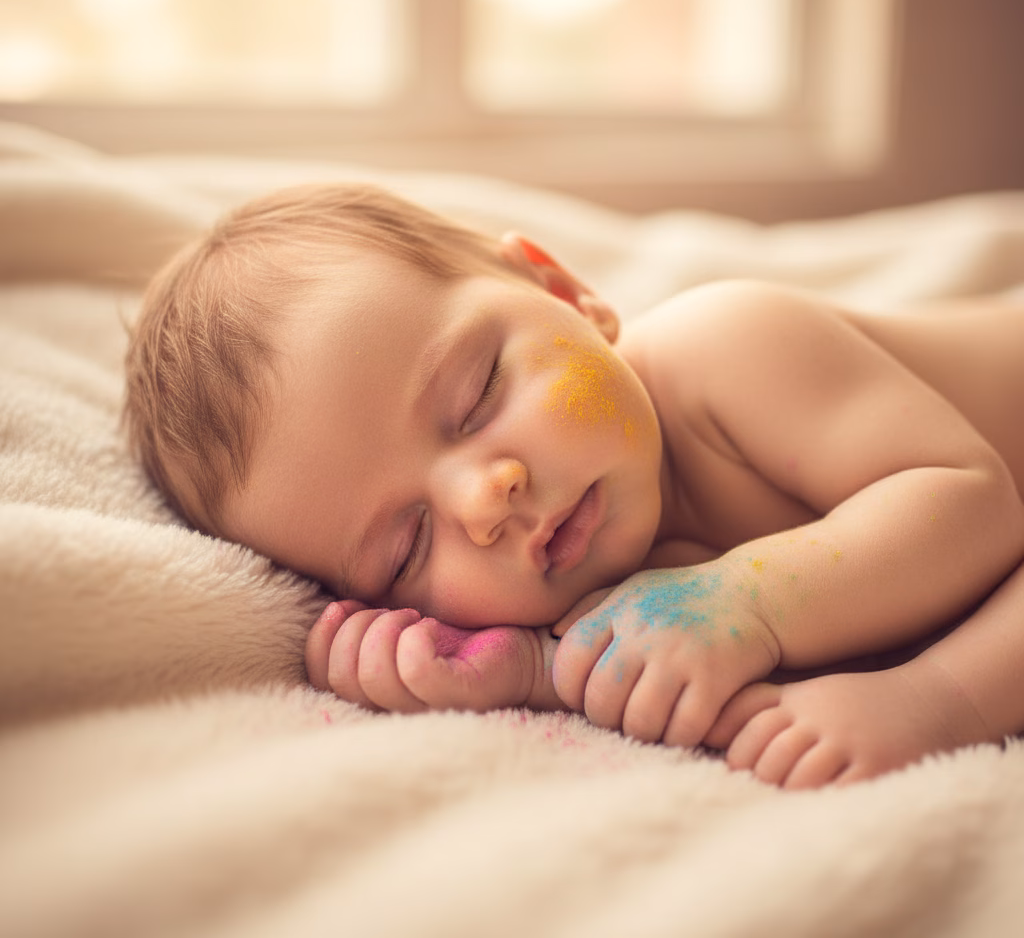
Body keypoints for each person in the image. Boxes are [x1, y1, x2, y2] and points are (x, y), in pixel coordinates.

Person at [124, 182, 1024, 789]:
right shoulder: (587, 574)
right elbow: (682, 674)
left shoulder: (725, 348)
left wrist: (934, 696)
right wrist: (522, 672)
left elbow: (974, 503)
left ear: (560, 288)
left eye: (476, 396)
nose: (484, 501)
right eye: (407, 547)